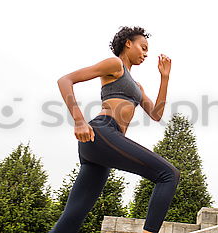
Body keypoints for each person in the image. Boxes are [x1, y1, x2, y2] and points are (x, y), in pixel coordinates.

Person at [49, 26, 180, 233]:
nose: (146, 54)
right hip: (101, 132)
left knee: (72, 218)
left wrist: (164, 78)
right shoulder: (115, 64)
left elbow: (156, 114)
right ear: (128, 43)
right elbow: (65, 80)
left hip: (104, 146)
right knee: (168, 174)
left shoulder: (137, 86)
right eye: (143, 47)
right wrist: (79, 121)